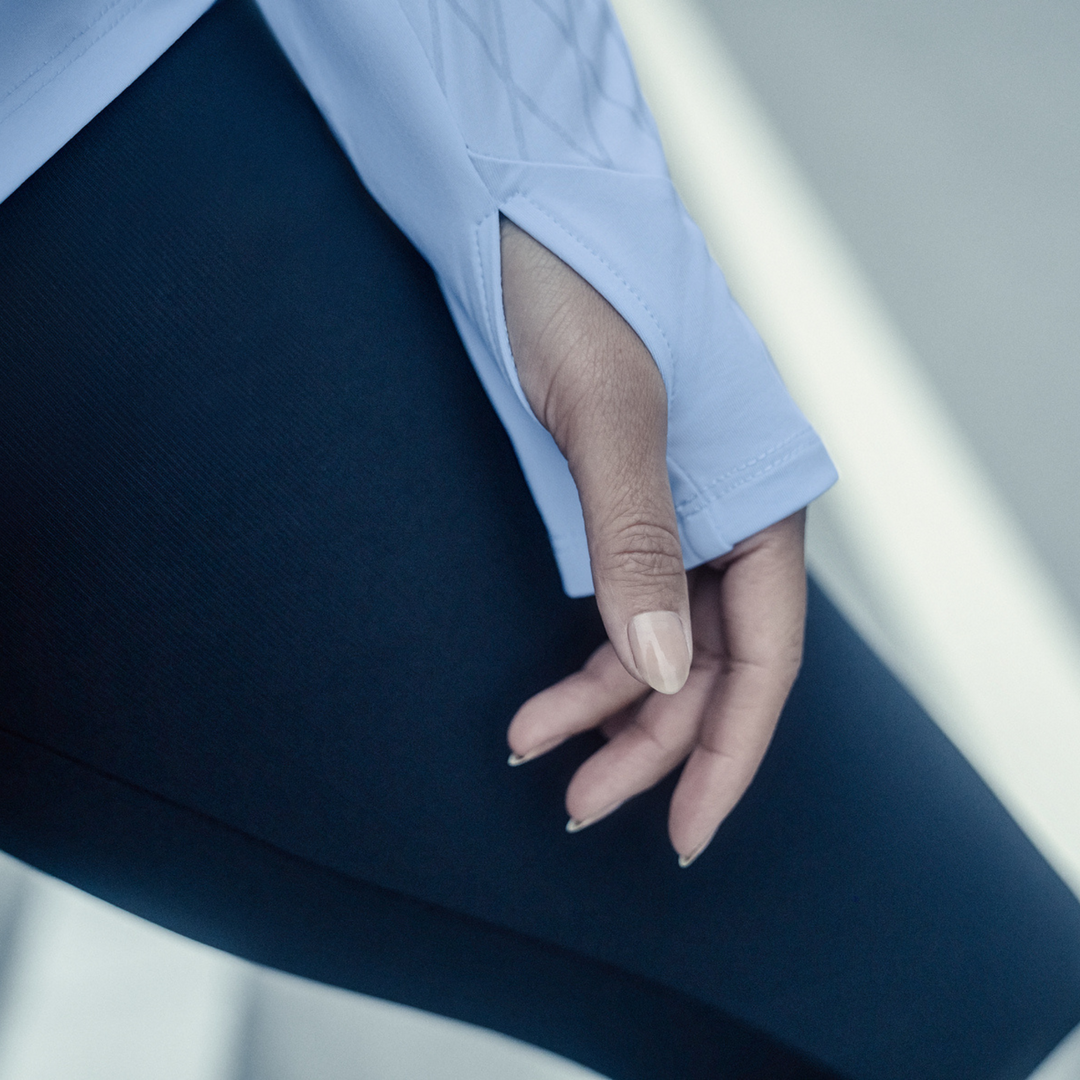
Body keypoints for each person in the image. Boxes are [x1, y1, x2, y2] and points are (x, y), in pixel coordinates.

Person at [1, 1, 1078, 1077]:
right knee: (944, 995)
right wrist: (559, 180)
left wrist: (563, 210)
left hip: (114, 176)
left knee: (948, 994)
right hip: (121, 205)